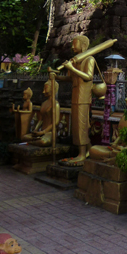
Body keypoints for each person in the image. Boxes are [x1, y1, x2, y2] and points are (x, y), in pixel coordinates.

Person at [54, 35, 95, 165]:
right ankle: (89, 151)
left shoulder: (89, 59)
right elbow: (71, 78)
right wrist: (58, 77)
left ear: (83, 45)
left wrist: (72, 69)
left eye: (75, 44)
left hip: (83, 97)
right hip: (75, 95)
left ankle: (82, 154)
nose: (72, 47)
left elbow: (88, 77)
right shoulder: (75, 61)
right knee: (77, 125)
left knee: (81, 125)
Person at [22, 81, 60, 147]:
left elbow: (55, 122)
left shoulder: (55, 104)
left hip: (49, 133)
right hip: (41, 132)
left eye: (46, 89)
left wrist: (43, 132)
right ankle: (35, 140)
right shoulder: (44, 103)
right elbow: (41, 120)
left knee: (43, 142)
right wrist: (36, 130)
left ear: (53, 89)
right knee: (24, 137)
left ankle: (33, 142)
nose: (43, 92)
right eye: (43, 89)